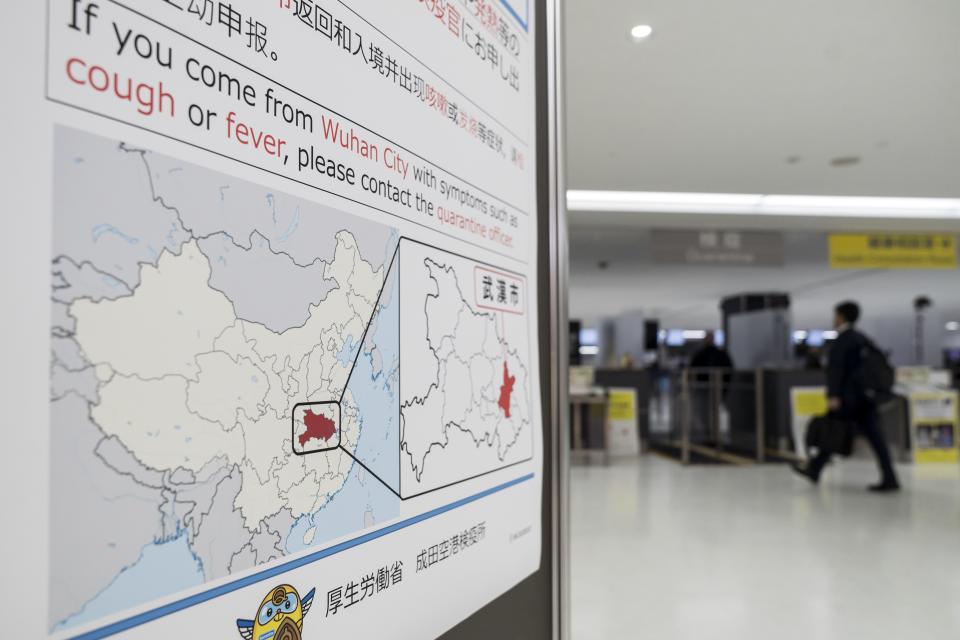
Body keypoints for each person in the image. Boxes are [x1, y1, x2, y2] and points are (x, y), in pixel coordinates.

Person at [793, 301, 900, 492]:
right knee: (868, 435)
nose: (834, 319)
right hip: (865, 397)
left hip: (849, 398)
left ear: (841, 316)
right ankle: (816, 468)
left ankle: (815, 468)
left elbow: (837, 370)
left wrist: (833, 395)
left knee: (834, 429)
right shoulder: (861, 338)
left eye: (835, 315)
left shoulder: (843, 340)